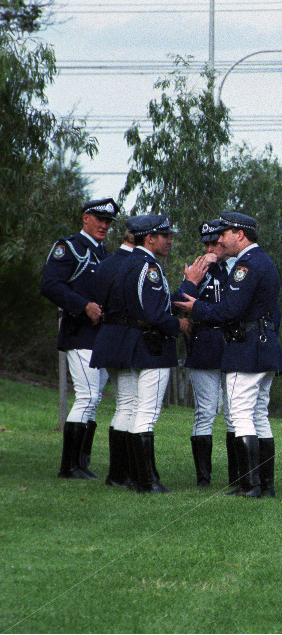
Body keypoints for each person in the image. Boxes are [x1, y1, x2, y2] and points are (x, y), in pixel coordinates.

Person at [174, 212, 282, 499]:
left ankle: (250, 486)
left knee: (240, 415)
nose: (220, 240)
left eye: (225, 234)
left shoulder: (246, 266)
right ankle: (265, 485)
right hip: (264, 345)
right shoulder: (266, 262)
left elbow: (230, 311)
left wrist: (196, 309)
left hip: (245, 347)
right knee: (259, 415)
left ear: (240, 234)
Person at [92, 214, 187, 493]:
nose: (170, 241)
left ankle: (121, 475)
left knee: (127, 407)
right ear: (150, 238)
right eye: (165, 236)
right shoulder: (148, 267)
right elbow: (152, 313)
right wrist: (178, 324)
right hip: (149, 347)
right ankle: (147, 481)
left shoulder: (122, 264)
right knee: (145, 412)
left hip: (121, 342)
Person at [41, 197, 118, 480]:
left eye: (108, 221)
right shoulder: (70, 247)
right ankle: (69, 466)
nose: (104, 225)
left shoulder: (105, 254)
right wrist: (83, 305)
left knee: (94, 399)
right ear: (85, 218)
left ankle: (82, 463)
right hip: (80, 333)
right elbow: (49, 285)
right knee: (86, 396)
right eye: (99, 219)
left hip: (101, 336)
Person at [176, 220, 236, 488]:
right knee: (206, 410)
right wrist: (191, 280)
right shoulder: (198, 270)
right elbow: (179, 301)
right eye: (207, 244)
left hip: (234, 345)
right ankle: (203, 479)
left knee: (235, 412)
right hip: (204, 346)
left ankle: (239, 475)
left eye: (215, 242)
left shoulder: (238, 267)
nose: (211, 248)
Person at [90, 228, 135, 488]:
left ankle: (118, 473)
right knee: (130, 405)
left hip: (109, 339)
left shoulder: (106, 264)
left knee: (123, 405)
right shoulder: (135, 265)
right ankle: (121, 474)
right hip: (127, 340)